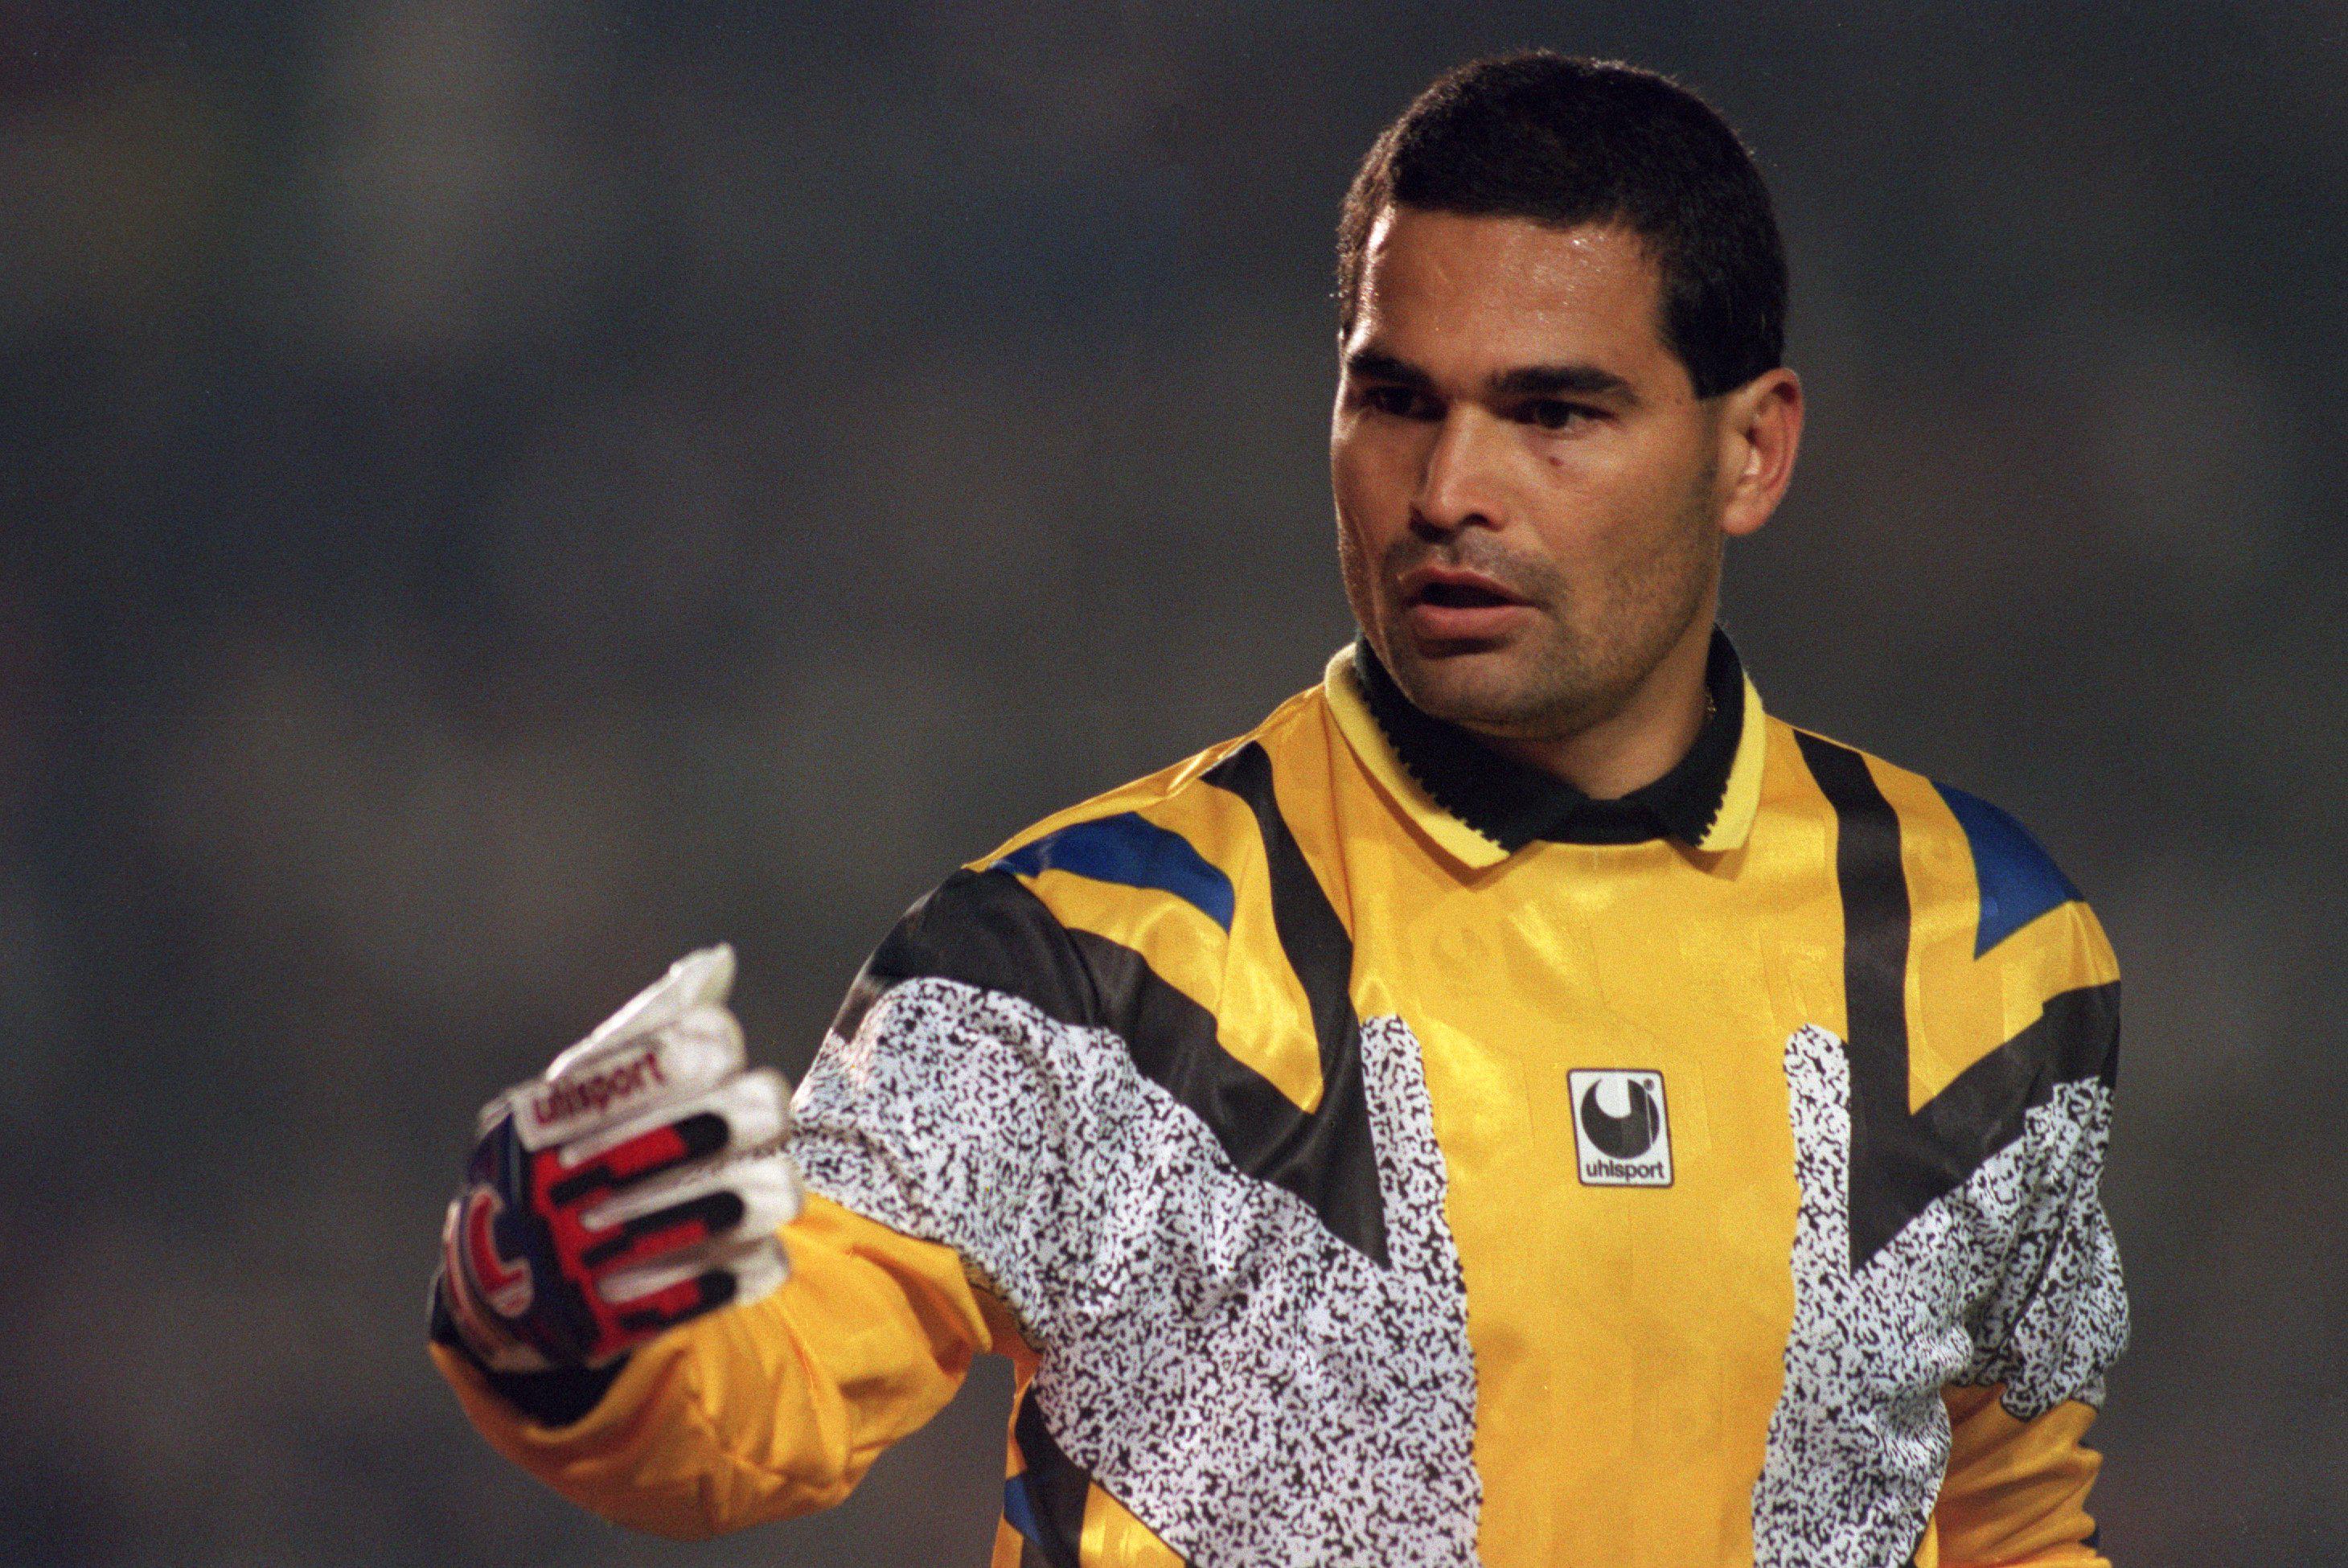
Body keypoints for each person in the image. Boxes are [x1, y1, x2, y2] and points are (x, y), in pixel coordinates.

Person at [428, 52, 2126, 1568]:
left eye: (1551, 413)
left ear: (1749, 450)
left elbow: (2009, 1525)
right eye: (1395, 399)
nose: (1448, 490)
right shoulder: (1081, 964)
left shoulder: (1986, 959)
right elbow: (768, 1395)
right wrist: (565, 1331)